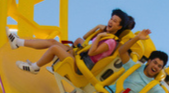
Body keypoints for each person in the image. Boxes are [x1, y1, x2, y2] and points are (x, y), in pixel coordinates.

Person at [9, 9, 138, 73]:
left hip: (82, 65)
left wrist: (99, 37)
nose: (111, 22)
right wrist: (97, 29)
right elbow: (85, 37)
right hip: (79, 56)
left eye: (115, 21)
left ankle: (34, 68)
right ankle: (18, 43)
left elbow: (92, 53)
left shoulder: (110, 42)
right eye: (111, 19)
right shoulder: (105, 34)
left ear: (120, 27)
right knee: (52, 42)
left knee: (55, 48)